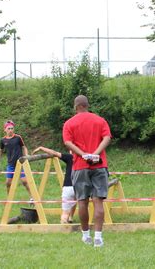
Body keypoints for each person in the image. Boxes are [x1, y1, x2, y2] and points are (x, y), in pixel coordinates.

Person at [63, 95, 111, 247]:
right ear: (87, 105)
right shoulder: (100, 120)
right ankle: (98, 237)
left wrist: (83, 154)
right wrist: (96, 153)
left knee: (82, 202)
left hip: (80, 166)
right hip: (99, 165)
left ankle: (85, 236)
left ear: (75, 106)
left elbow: (67, 142)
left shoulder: (69, 123)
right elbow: (107, 138)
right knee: (98, 202)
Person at [32, 146, 76, 224]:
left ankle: (64, 223)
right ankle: (71, 218)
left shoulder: (69, 157)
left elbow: (54, 153)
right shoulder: (83, 159)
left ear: (71, 151)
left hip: (68, 187)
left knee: (65, 213)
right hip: (80, 187)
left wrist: (41, 148)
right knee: (75, 202)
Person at [0, 120, 33, 199]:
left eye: (12, 128)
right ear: (5, 130)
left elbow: (23, 147)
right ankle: (9, 198)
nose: (10, 130)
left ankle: (32, 197)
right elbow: (0, 150)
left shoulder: (18, 138)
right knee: (8, 183)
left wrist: (26, 155)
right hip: (10, 164)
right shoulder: (3, 140)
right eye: (9, 129)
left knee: (24, 181)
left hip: (20, 163)